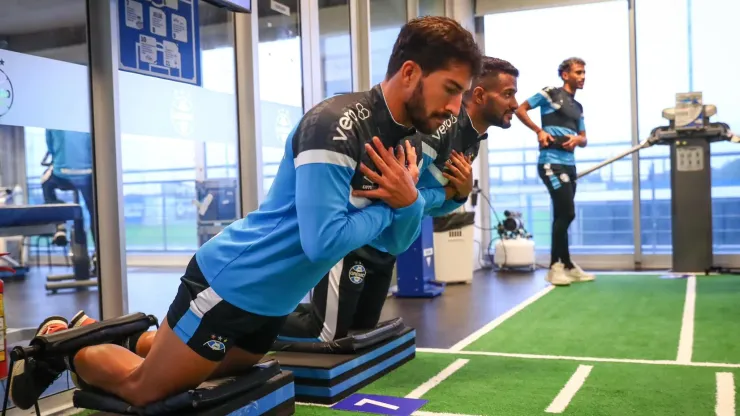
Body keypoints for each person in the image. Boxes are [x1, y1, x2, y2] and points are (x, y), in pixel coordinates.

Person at [9, 16, 483, 410]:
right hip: (231, 283)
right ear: (409, 72)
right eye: (451, 89)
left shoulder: (405, 141)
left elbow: (396, 244)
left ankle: (111, 334)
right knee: (146, 388)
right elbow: (325, 240)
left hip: (271, 302)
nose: (456, 107)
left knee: (192, 359)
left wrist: (410, 202)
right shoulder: (335, 126)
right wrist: (400, 205)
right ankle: (68, 341)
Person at [278, 57, 521, 343]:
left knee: (360, 330)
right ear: (479, 95)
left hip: (388, 241)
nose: (516, 104)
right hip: (359, 234)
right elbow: (402, 192)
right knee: (327, 333)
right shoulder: (441, 128)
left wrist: (461, 193)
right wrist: (448, 193)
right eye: (508, 94)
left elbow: (427, 204)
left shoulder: (471, 142)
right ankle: (250, 320)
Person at [514, 57, 595, 286]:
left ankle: (567, 265)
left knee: (562, 214)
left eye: (584, 73)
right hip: (551, 163)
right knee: (567, 213)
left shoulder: (578, 107)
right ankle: (554, 267)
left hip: (570, 165)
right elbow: (521, 109)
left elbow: (585, 139)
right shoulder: (551, 93)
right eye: (578, 72)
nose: (582, 77)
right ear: (565, 75)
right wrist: (539, 131)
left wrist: (577, 140)